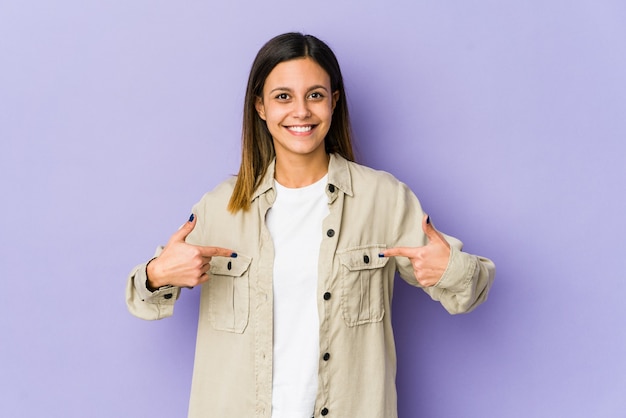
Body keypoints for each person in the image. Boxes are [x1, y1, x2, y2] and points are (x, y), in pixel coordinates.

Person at [126, 32, 495, 418]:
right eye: (283, 96)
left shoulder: (382, 198)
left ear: (334, 102)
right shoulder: (221, 206)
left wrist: (448, 270)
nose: (300, 111)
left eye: (315, 95)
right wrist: (158, 275)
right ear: (260, 107)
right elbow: (140, 297)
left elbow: (470, 291)